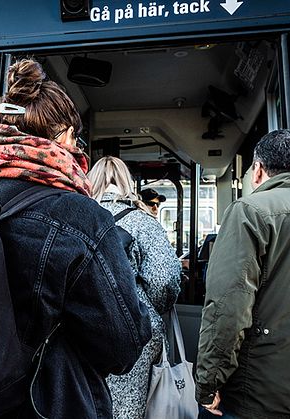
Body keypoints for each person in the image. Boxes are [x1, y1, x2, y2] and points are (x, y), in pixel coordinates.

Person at [0, 59, 151, 418]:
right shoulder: (82, 217)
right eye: (76, 139)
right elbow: (124, 346)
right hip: (49, 404)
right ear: (65, 136)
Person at [195, 129, 290, 419]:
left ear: (258, 171)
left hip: (261, 397)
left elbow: (228, 307)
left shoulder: (249, 211)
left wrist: (208, 382)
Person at [88, 156, 181, 419]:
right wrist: (149, 308)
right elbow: (164, 280)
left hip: (83, 328)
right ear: (127, 183)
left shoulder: (78, 215)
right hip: (135, 331)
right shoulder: (143, 221)